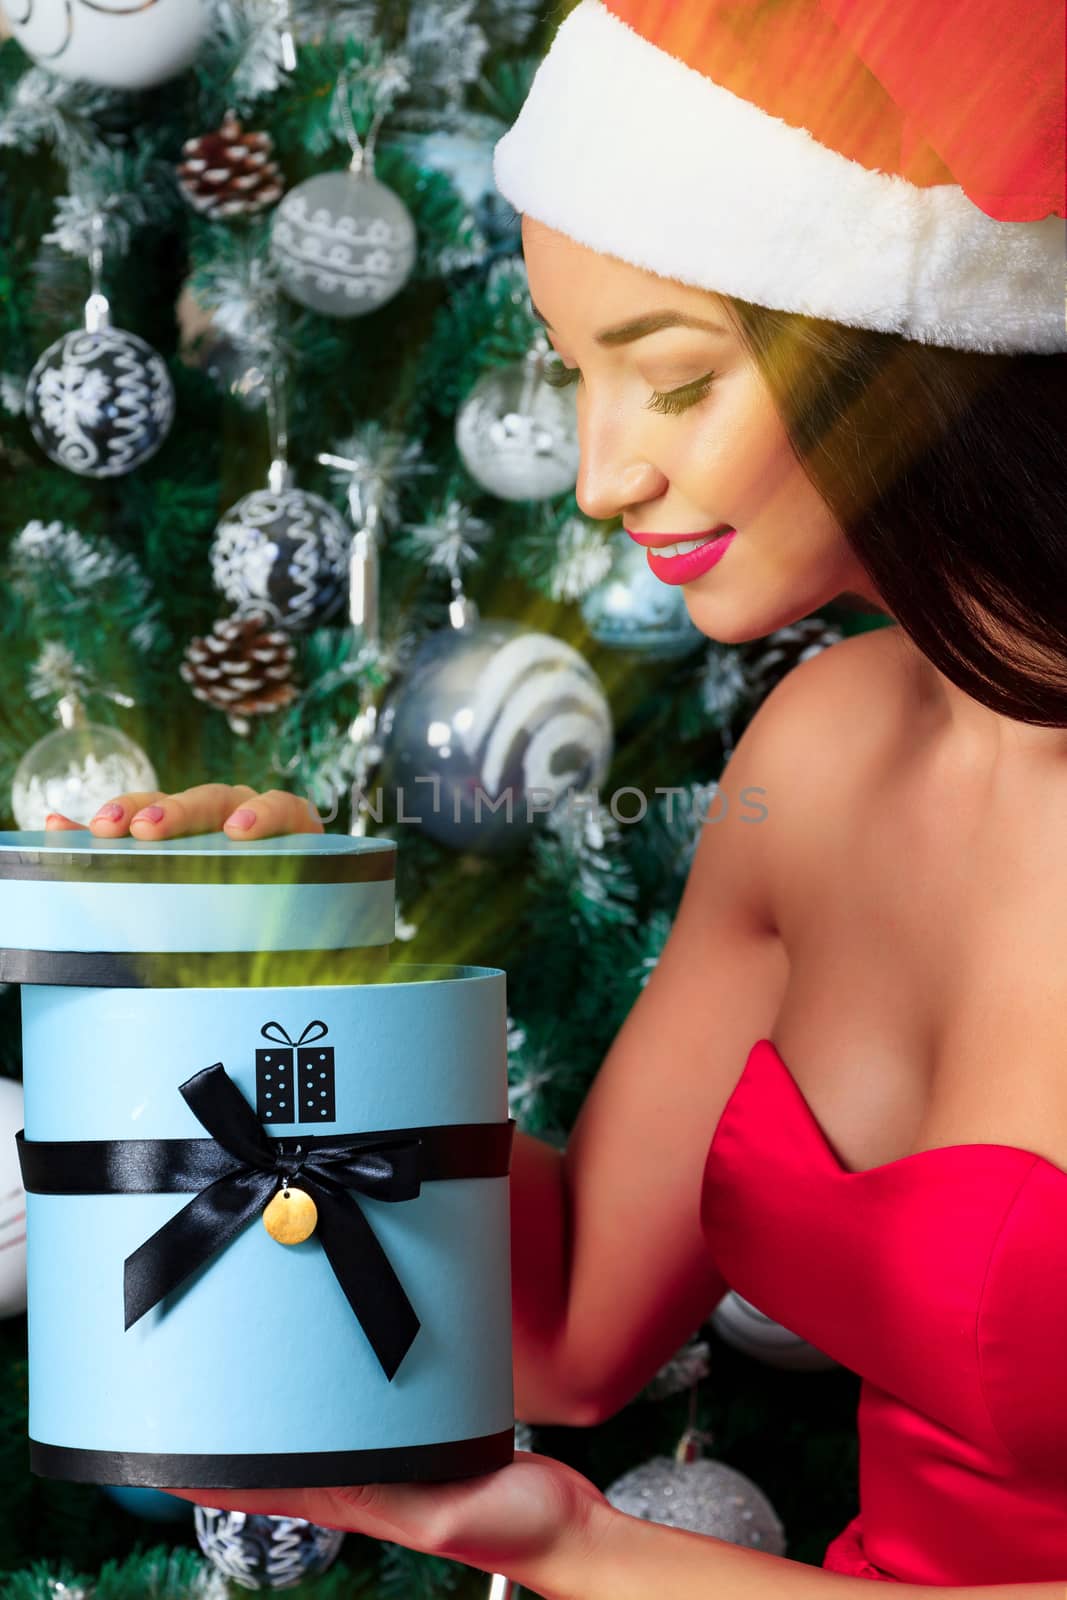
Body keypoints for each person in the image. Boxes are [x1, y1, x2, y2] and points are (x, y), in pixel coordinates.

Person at [46, 0, 1067, 1593]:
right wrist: (295, 993)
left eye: (668, 382)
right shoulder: (830, 745)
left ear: (917, 353)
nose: (600, 479)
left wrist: (591, 1550)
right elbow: (570, 1324)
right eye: (570, 374)